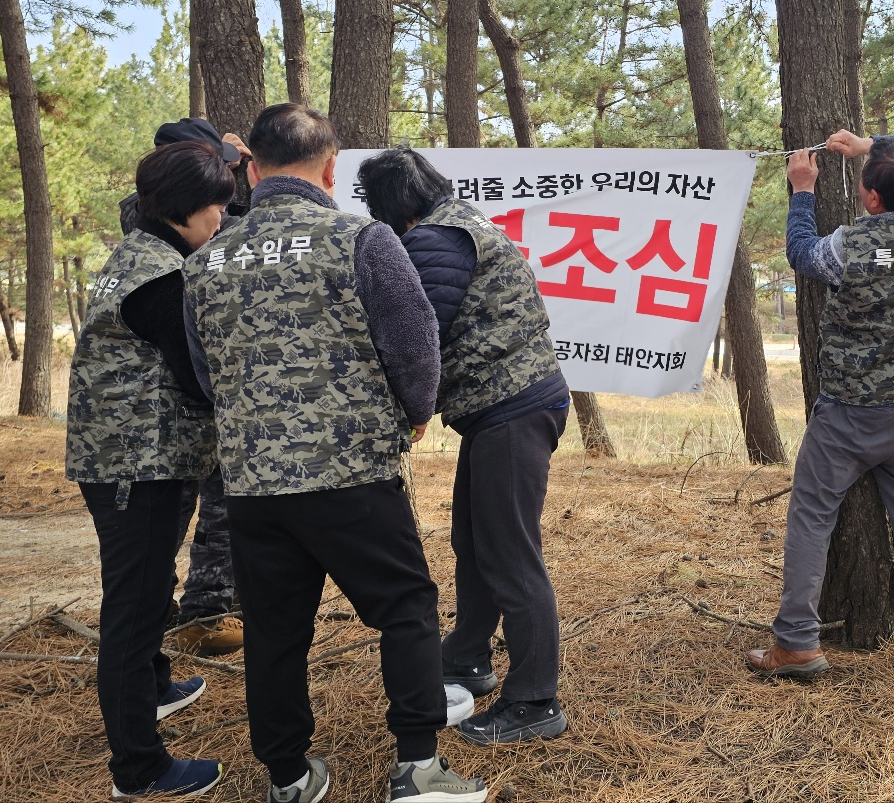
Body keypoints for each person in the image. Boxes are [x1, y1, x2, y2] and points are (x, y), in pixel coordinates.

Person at [183, 103, 488, 803]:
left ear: (252, 171)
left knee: (274, 630)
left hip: (253, 482)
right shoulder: (362, 238)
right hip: (351, 473)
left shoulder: (205, 261)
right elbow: (414, 344)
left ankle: (289, 776)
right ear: (330, 169)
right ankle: (418, 768)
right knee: (406, 608)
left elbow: (204, 374)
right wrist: (414, 414)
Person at [359, 147, 572, 745]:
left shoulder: (433, 242)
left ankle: (535, 699)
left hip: (513, 408)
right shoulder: (460, 224)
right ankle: (468, 655)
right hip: (502, 409)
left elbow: (414, 341)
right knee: (475, 542)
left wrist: (402, 411)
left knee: (510, 554)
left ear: (391, 206)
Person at [746, 131, 894, 679]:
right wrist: (872, 145)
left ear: (871, 197)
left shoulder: (850, 246)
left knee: (812, 517)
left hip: (847, 413)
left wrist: (802, 191)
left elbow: (801, 252)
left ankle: (797, 642)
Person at [65, 140, 236, 797]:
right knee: (132, 613)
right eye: (216, 207)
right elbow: (197, 378)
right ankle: (138, 769)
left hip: (124, 457)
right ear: (185, 209)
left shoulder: (137, 253)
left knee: (148, 585)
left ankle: (157, 687)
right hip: (137, 465)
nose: (221, 220)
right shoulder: (161, 277)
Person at [116, 117, 248, 659]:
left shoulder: (172, 220)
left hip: (187, 402)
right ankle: (167, 610)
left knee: (216, 507)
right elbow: (226, 235)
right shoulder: (150, 222)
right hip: (178, 404)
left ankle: (199, 609)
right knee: (176, 513)